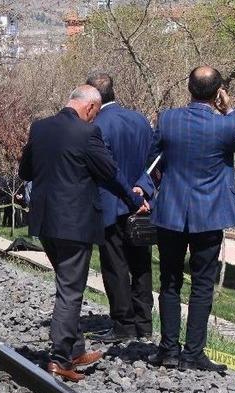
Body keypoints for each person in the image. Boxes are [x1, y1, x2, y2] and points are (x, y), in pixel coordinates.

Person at [138, 66, 235, 372]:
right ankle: (193, 353)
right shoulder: (226, 125)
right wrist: (231, 109)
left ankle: (168, 349)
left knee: (169, 281)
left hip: (170, 212)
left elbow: (151, 155)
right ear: (218, 90)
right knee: (203, 283)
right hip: (209, 215)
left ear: (189, 89)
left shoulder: (168, 119)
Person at [18, 85, 146, 382]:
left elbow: (25, 172)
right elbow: (111, 174)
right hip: (75, 224)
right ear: (90, 108)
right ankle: (60, 358)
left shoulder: (40, 128)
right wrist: (135, 201)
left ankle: (75, 349)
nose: (95, 118)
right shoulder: (87, 134)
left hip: (46, 222)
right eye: (96, 113)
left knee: (65, 284)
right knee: (70, 291)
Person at [85, 73, 156, 343]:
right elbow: (154, 160)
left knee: (115, 266)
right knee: (141, 266)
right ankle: (144, 325)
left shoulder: (96, 126)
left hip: (112, 205)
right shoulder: (140, 120)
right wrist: (143, 189)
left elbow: (108, 170)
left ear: (93, 96)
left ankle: (123, 324)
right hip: (141, 206)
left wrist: (130, 196)